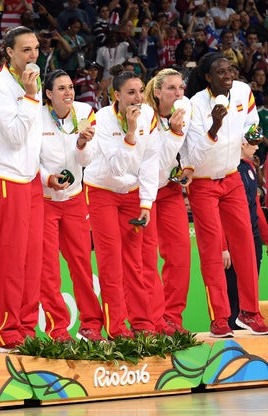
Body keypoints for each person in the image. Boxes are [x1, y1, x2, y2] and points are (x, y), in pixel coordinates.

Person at [185, 52, 268, 337]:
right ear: (208, 78)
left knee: (245, 244)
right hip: (203, 182)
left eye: (230, 70)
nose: (228, 76)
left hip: (231, 176)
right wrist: (215, 127)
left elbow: (250, 123)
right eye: (221, 72)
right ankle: (220, 317)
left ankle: (250, 312)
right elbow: (194, 155)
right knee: (211, 251)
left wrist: (253, 134)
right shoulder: (194, 105)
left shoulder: (244, 91)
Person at [83, 71, 159, 338]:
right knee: (110, 260)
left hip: (132, 192)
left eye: (140, 91)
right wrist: (129, 131)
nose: (138, 98)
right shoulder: (102, 119)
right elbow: (116, 168)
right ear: (116, 96)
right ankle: (115, 326)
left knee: (134, 261)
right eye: (130, 93)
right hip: (102, 190)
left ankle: (142, 322)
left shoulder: (149, 116)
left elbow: (151, 160)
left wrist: (146, 202)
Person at [0, 26, 43, 352]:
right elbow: (16, 137)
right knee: (11, 259)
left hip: (31, 177)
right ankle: (6, 333)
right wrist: (32, 95)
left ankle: (27, 329)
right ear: (9, 52)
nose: (33, 55)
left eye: (35, 48)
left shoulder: (32, 79)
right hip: (7, 178)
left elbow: (35, 136)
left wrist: (44, 174)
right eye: (25, 50)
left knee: (33, 260)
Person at [38, 69, 104, 342]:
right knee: (49, 268)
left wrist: (80, 144)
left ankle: (91, 324)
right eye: (61, 88)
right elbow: (30, 159)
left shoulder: (85, 112)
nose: (68, 93)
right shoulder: (36, 116)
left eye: (71, 87)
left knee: (80, 264)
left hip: (75, 198)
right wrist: (48, 179)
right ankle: (57, 328)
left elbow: (88, 159)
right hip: (44, 201)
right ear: (49, 94)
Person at [142, 68, 193, 334]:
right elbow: (158, 164)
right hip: (144, 193)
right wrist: (173, 131)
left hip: (171, 191)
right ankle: (151, 320)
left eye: (181, 88)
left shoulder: (185, 109)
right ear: (158, 92)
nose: (178, 93)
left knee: (180, 256)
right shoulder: (145, 117)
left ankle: (172, 318)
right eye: (172, 88)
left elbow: (188, 147)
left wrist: (188, 169)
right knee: (147, 258)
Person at [226, 140, 268, 329]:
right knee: (233, 290)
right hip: (233, 237)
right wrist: (223, 247)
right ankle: (230, 332)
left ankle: (247, 320)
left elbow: (256, 208)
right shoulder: (228, 169)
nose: (257, 147)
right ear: (241, 144)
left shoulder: (250, 167)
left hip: (253, 235)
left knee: (250, 285)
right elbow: (219, 211)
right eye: (253, 143)